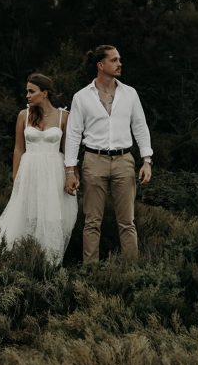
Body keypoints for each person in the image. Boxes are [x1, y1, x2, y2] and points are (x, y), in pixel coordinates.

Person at [64, 45, 153, 262]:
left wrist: (147, 160)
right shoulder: (81, 97)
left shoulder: (130, 93)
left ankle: (133, 272)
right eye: (114, 60)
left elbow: (140, 127)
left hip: (124, 160)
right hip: (94, 160)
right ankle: (91, 272)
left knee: (127, 222)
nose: (119, 63)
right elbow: (74, 133)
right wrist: (70, 170)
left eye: (119, 59)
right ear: (100, 65)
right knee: (92, 222)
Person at [0, 73, 78, 265]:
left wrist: (72, 174)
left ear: (44, 93)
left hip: (54, 171)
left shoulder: (64, 116)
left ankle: (49, 262)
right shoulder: (24, 115)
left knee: (52, 216)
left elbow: (68, 150)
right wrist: (16, 176)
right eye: (27, 91)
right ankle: (25, 258)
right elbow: (19, 148)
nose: (27, 95)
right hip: (29, 171)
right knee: (28, 214)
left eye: (31, 91)